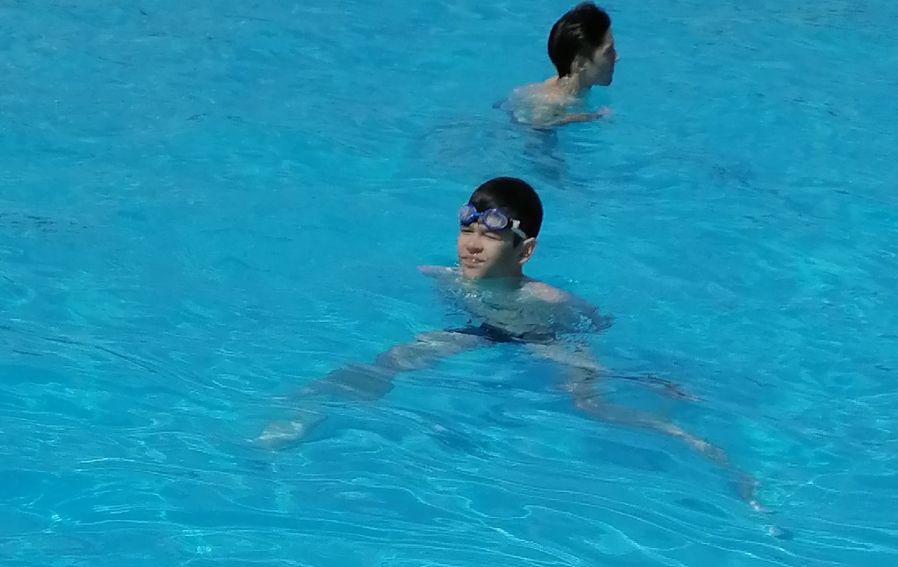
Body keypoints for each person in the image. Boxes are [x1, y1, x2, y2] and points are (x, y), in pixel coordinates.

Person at [259, 177, 758, 502]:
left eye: (491, 237)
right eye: (467, 233)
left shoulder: (549, 299)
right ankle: (297, 418)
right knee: (390, 361)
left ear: (525, 251)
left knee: (591, 404)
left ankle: (695, 443)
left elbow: (593, 325)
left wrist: (605, 366)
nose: (472, 246)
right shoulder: (446, 277)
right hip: (481, 332)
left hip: (543, 337)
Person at [508, 0, 617, 130]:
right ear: (580, 63)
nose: (616, 57)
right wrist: (586, 117)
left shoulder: (568, 88)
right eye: (608, 52)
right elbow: (536, 129)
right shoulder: (553, 103)